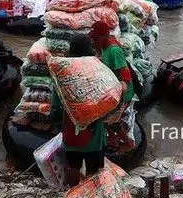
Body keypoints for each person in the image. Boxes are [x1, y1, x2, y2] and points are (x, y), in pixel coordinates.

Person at [50, 34, 106, 187]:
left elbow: (55, 105)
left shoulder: (62, 74)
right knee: (94, 172)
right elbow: (107, 99)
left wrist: (55, 122)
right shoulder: (97, 71)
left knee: (73, 167)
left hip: (70, 129)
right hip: (94, 132)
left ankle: (73, 194)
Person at [89, 21, 136, 151]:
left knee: (110, 120)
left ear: (105, 36)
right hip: (111, 89)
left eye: (96, 38)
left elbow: (124, 69)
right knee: (105, 117)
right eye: (93, 38)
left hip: (123, 92)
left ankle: (128, 143)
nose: (94, 40)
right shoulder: (102, 48)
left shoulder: (114, 50)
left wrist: (124, 83)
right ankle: (112, 140)